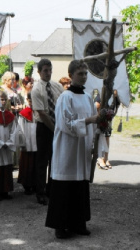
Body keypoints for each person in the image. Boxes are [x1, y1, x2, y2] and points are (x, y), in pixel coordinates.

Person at [45, 60, 98, 239]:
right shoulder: (65, 97)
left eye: (85, 74)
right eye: (80, 73)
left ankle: (78, 223)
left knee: (79, 186)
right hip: (67, 148)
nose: (83, 77)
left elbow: (95, 122)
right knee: (64, 187)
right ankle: (60, 226)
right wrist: (89, 121)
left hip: (81, 149)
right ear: (71, 75)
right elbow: (65, 124)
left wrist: (96, 134)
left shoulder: (88, 97)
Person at [31, 59, 63, 205]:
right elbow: (42, 113)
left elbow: (62, 105)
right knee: (42, 160)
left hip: (57, 124)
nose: (48, 73)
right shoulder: (37, 89)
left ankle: (52, 189)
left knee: (54, 160)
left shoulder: (57, 86)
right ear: (39, 72)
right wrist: (54, 129)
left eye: (50, 70)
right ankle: (40, 191)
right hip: (44, 127)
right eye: (45, 70)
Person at [0, 91, 17, 201]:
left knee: (6, 167)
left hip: (6, 145)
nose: (3, 102)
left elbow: (14, 131)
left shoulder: (10, 116)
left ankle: (5, 191)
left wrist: (9, 142)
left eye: (4, 99)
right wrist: (0, 143)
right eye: (1, 99)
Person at [95, 89, 121, 170]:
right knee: (99, 136)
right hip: (100, 117)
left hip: (108, 119)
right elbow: (96, 105)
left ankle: (106, 158)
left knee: (107, 136)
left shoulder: (116, 97)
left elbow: (116, 107)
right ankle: (99, 158)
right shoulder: (102, 94)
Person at [17, 92, 37, 195]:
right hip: (27, 143)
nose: (33, 102)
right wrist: (22, 143)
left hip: (37, 143)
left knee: (35, 165)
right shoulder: (24, 113)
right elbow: (20, 130)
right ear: (28, 100)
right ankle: (27, 185)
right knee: (27, 165)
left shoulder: (39, 112)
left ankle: (35, 184)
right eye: (31, 100)